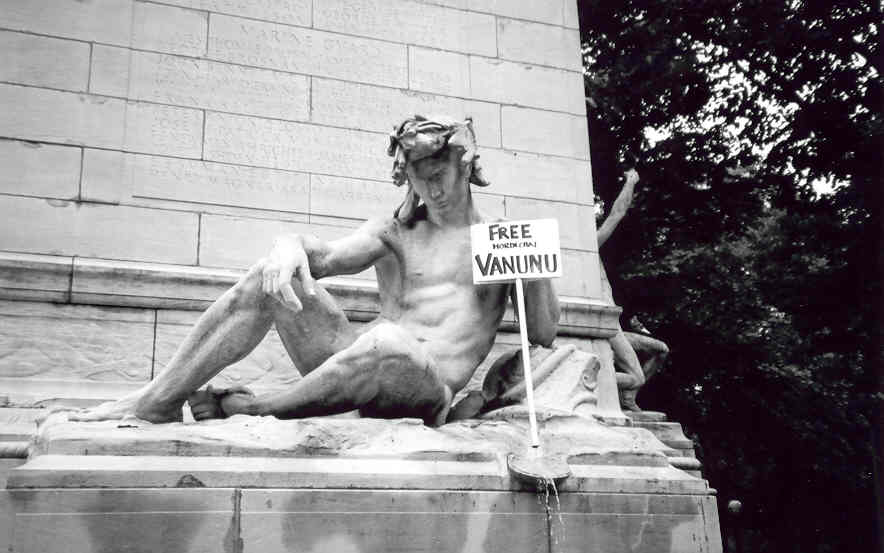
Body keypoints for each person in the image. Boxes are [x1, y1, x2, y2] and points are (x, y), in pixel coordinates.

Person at [71, 116, 560, 427]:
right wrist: (289, 247)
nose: (430, 190)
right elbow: (323, 256)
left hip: (425, 389)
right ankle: (156, 400)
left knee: (387, 342)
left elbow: (543, 332)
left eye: (439, 176)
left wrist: (532, 262)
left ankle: (257, 407)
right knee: (272, 275)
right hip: (353, 361)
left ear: (464, 164)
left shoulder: (497, 238)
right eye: (418, 179)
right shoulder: (395, 231)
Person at [595, 168, 668, 411]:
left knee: (661, 350)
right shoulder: (590, 246)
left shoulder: (590, 252)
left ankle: (627, 398)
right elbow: (617, 213)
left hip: (613, 322)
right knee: (636, 377)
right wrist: (631, 181)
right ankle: (590, 382)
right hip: (606, 324)